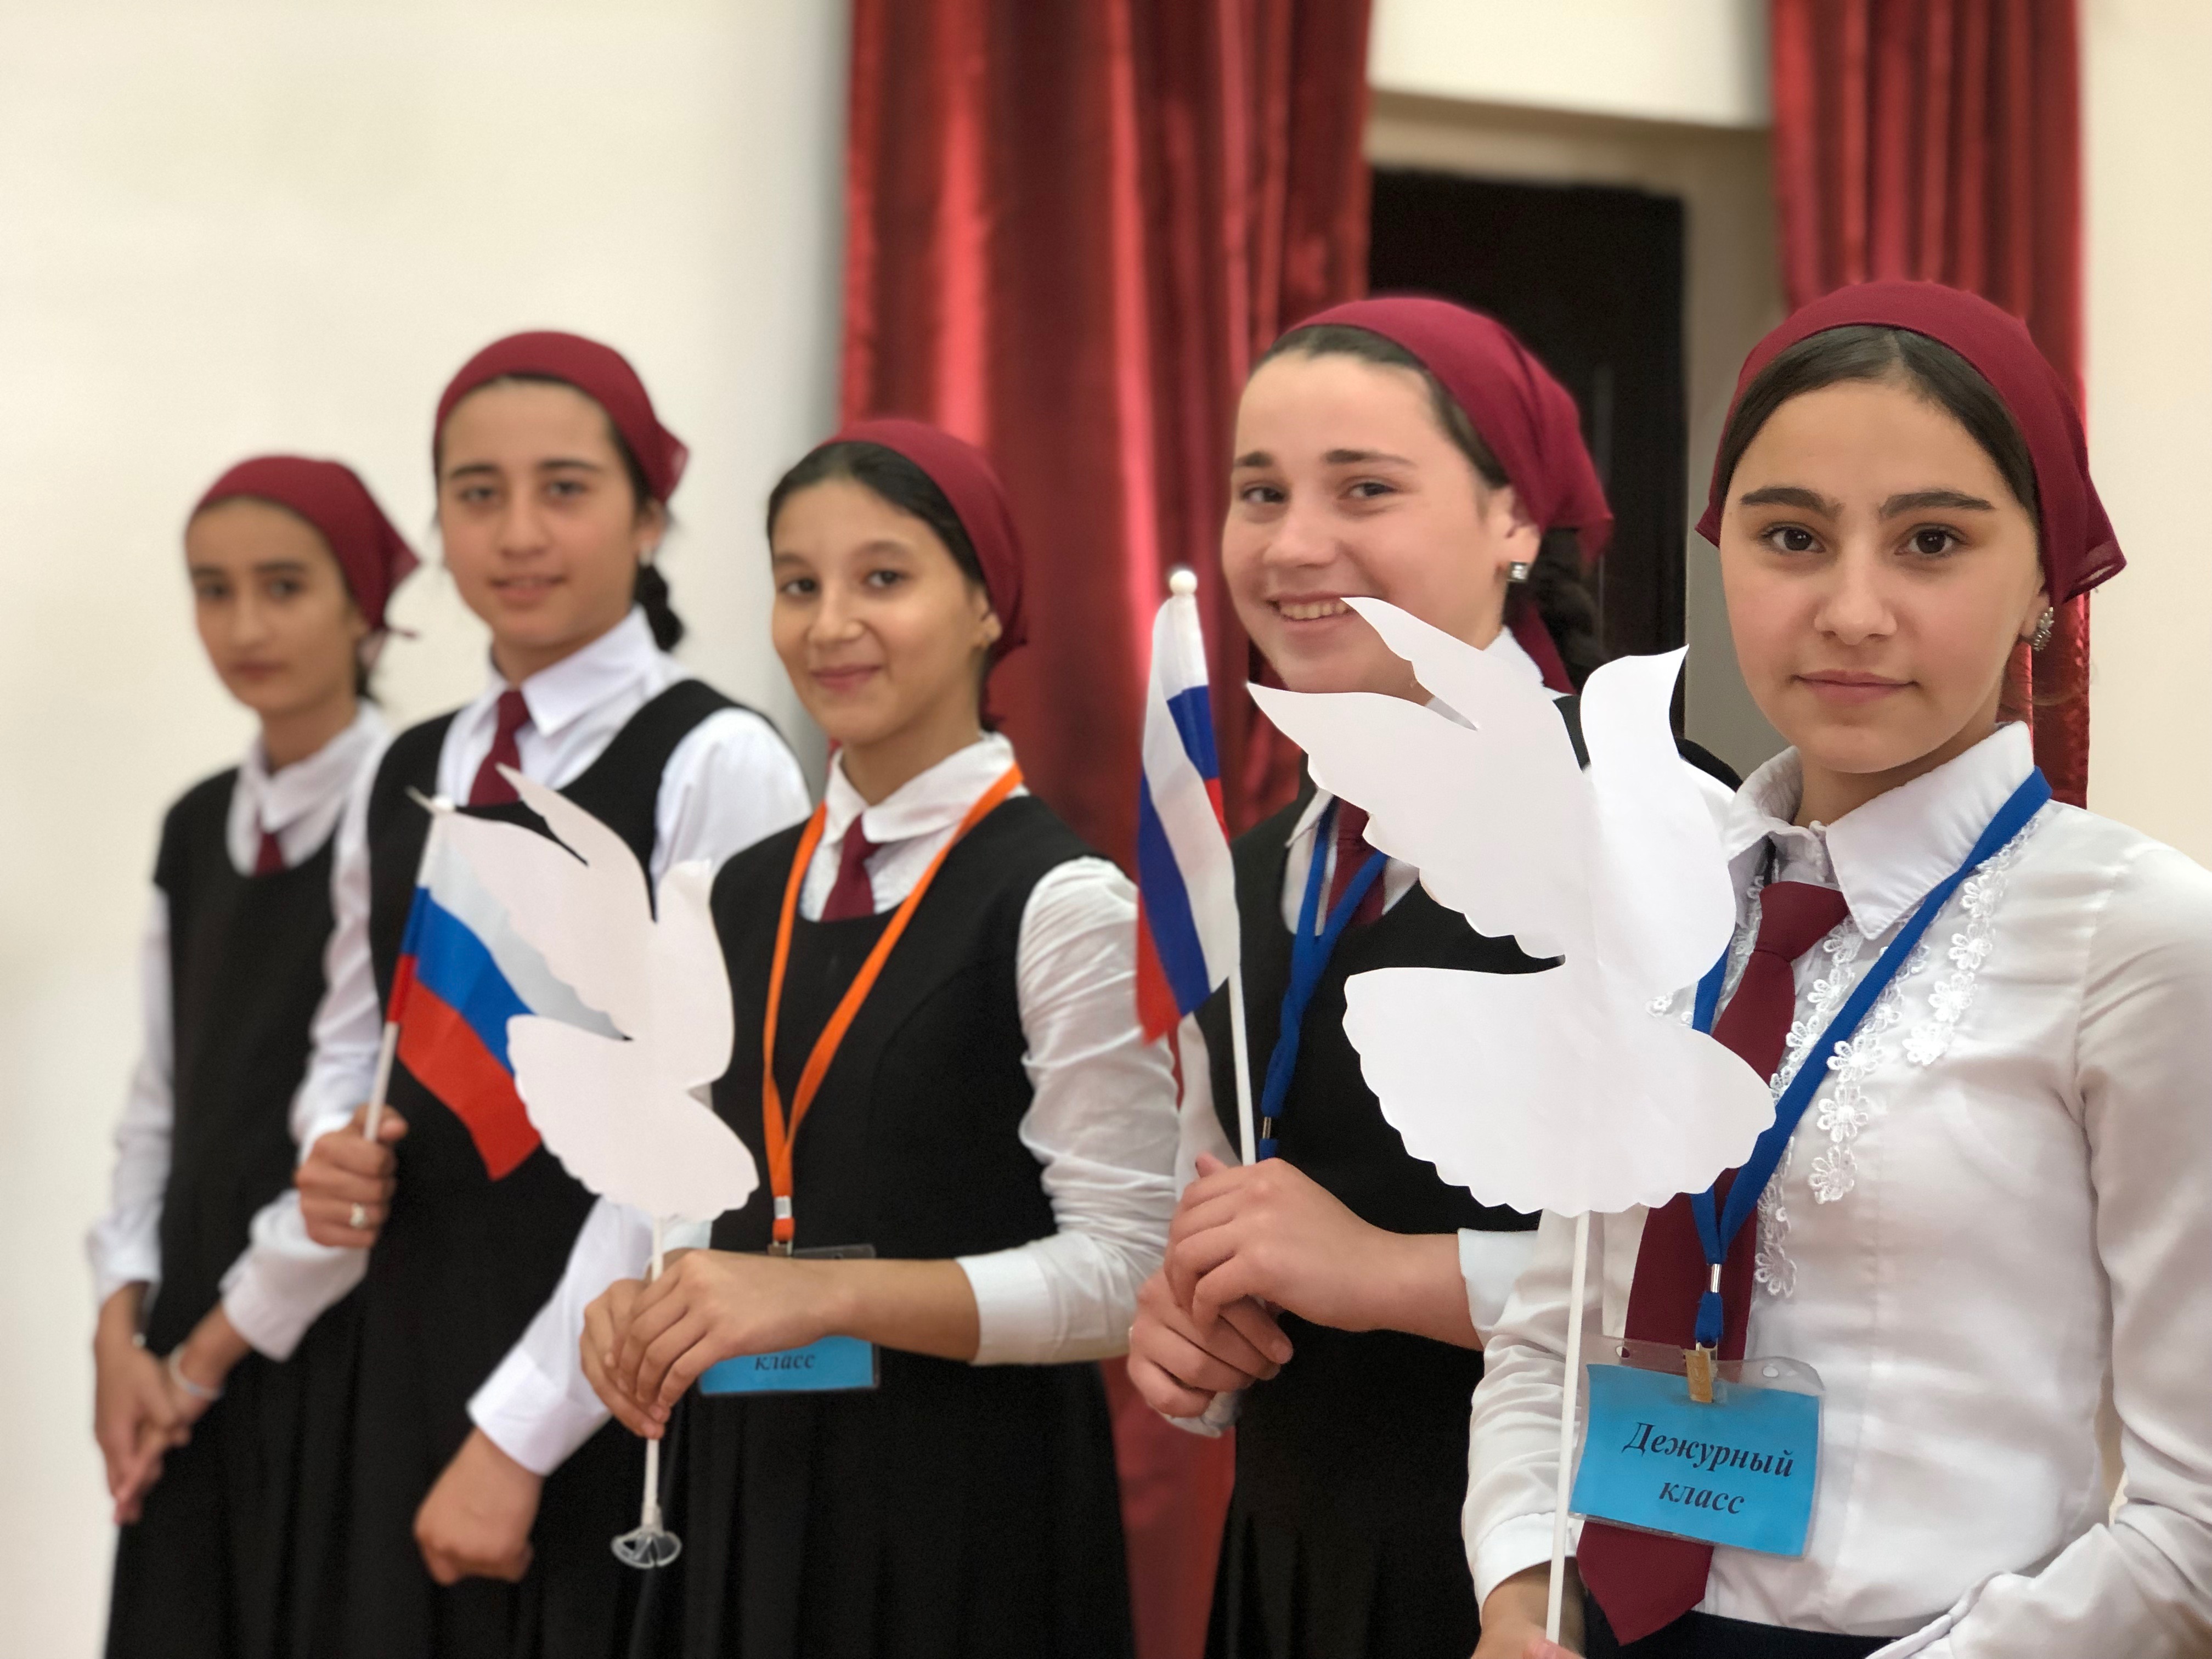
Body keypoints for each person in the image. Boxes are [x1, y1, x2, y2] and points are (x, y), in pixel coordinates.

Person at [1466, 283, 2212, 1659]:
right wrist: (1521, 1589)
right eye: (1793, 537)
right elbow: (1548, 1334)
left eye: (1933, 541)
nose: (1852, 610)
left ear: (2044, 586)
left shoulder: (2139, 939)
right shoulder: (1656, 891)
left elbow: (2196, 1525)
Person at [499, 417, 1180, 1657]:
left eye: (883, 577)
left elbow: (1129, 1277)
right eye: (798, 584)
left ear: (986, 606)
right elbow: (700, 1199)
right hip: (745, 1487)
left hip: (963, 1512)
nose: (830, 624)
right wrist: (639, 1302)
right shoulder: (731, 892)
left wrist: (823, 1296)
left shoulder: (1063, 903)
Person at [1123, 297, 1652, 1659]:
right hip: (1290, 1572)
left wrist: (1378, 1273)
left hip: (1550, 1595)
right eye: (1260, 493)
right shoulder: (1247, 873)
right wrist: (1190, 1332)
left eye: (1364, 489)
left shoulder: (1642, 825)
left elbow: (1718, 1273)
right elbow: (1223, 1208)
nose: (1294, 544)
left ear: (1514, 518)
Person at [284, 332, 810, 1657]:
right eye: (477, 493)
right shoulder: (411, 764)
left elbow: (694, 1146)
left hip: (604, 1379)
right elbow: (351, 1032)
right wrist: (326, 1143)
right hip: (404, 1338)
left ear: (649, 517)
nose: (518, 533)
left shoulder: (717, 758)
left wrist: (519, 1434)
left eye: (565, 489)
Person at [89, 456, 416, 1658]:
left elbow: (373, 1130)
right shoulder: (193, 824)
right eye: (212, 589)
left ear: (363, 604)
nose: (244, 627)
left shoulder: (412, 810)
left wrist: (202, 1360)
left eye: (284, 586)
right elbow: (159, 1102)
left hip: (335, 1335)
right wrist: (118, 1332)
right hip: (184, 1332)